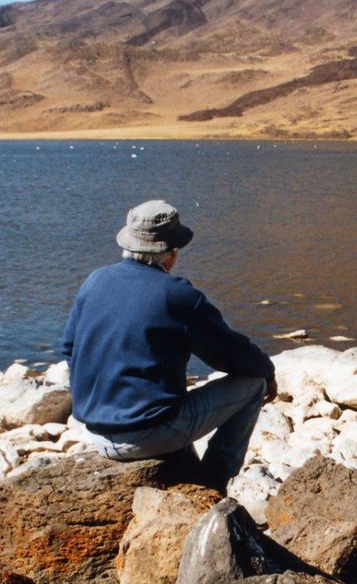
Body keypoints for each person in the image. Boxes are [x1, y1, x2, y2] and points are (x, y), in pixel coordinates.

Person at [61, 199, 276, 492]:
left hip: (97, 432)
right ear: (171, 254)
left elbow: (69, 349)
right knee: (253, 384)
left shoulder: (95, 280)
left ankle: (182, 459)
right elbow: (230, 355)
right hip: (145, 436)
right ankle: (214, 482)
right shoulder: (177, 295)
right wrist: (268, 371)